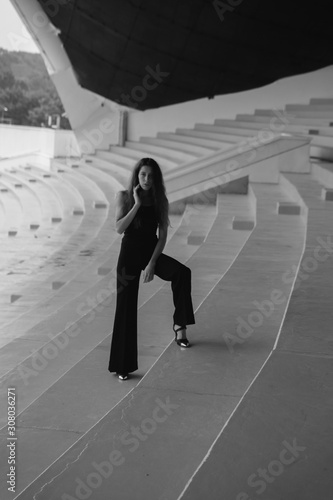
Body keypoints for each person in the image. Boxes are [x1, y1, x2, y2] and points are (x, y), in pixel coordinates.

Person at [108, 157, 195, 380]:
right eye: (143, 174)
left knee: (181, 273)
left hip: (149, 253)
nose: (146, 179)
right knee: (125, 308)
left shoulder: (159, 200)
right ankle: (122, 366)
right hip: (128, 256)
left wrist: (152, 263)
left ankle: (180, 327)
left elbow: (163, 236)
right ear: (137, 175)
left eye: (151, 175)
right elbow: (119, 228)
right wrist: (136, 204)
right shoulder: (124, 196)